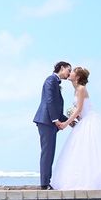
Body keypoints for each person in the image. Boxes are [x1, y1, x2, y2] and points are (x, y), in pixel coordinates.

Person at [33, 61, 72, 190]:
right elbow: (49, 101)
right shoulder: (51, 80)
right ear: (62, 68)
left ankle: (46, 182)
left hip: (50, 121)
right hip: (46, 121)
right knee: (48, 152)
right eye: (69, 70)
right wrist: (56, 120)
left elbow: (56, 107)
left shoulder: (55, 82)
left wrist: (69, 120)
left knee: (50, 152)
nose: (69, 73)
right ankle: (45, 184)